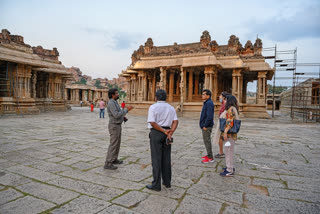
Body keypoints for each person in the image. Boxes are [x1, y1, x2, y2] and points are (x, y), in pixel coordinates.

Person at [146, 89, 178, 191]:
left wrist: (164, 131)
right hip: (167, 134)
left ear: (156, 97)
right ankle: (167, 182)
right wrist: (170, 132)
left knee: (156, 159)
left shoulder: (153, 107)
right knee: (166, 158)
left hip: (157, 133)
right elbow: (175, 121)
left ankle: (156, 184)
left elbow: (152, 122)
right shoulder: (171, 108)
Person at [104, 88, 133, 170]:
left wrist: (123, 117)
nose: (118, 95)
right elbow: (116, 115)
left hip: (117, 125)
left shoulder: (114, 102)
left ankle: (114, 159)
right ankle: (108, 163)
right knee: (113, 144)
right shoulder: (111, 103)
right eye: (116, 93)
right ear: (112, 95)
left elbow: (118, 114)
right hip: (114, 126)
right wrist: (127, 110)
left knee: (117, 143)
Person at [220, 95, 239, 177]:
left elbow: (229, 122)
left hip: (229, 134)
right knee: (228, 151)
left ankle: (229, 170)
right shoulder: (233, 108)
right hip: (231, 134)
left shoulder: (231, 109)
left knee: (228, 151)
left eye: (226, 100)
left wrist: (225, 132)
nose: (225, 101)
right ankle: (229, 166)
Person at [200, 89, 215, 163]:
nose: (202, 95)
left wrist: (205, 125)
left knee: (207, 141)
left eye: (204, 94)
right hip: (205, 125)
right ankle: (209, 154)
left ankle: (210, 157)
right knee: (206, 141)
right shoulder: (207, 102)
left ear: (208, 96)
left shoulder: (209, 103)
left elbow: (209, 116)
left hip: (207, 126)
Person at [214, 92, 229, 159]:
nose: (219, 96)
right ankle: (222, 152)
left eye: (220, 95)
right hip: (221, 121)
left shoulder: (225, 103)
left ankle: (221, 152)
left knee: (221, 137)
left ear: (223, 97)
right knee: (222, 137)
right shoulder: (223, 103)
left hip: (223, 122)